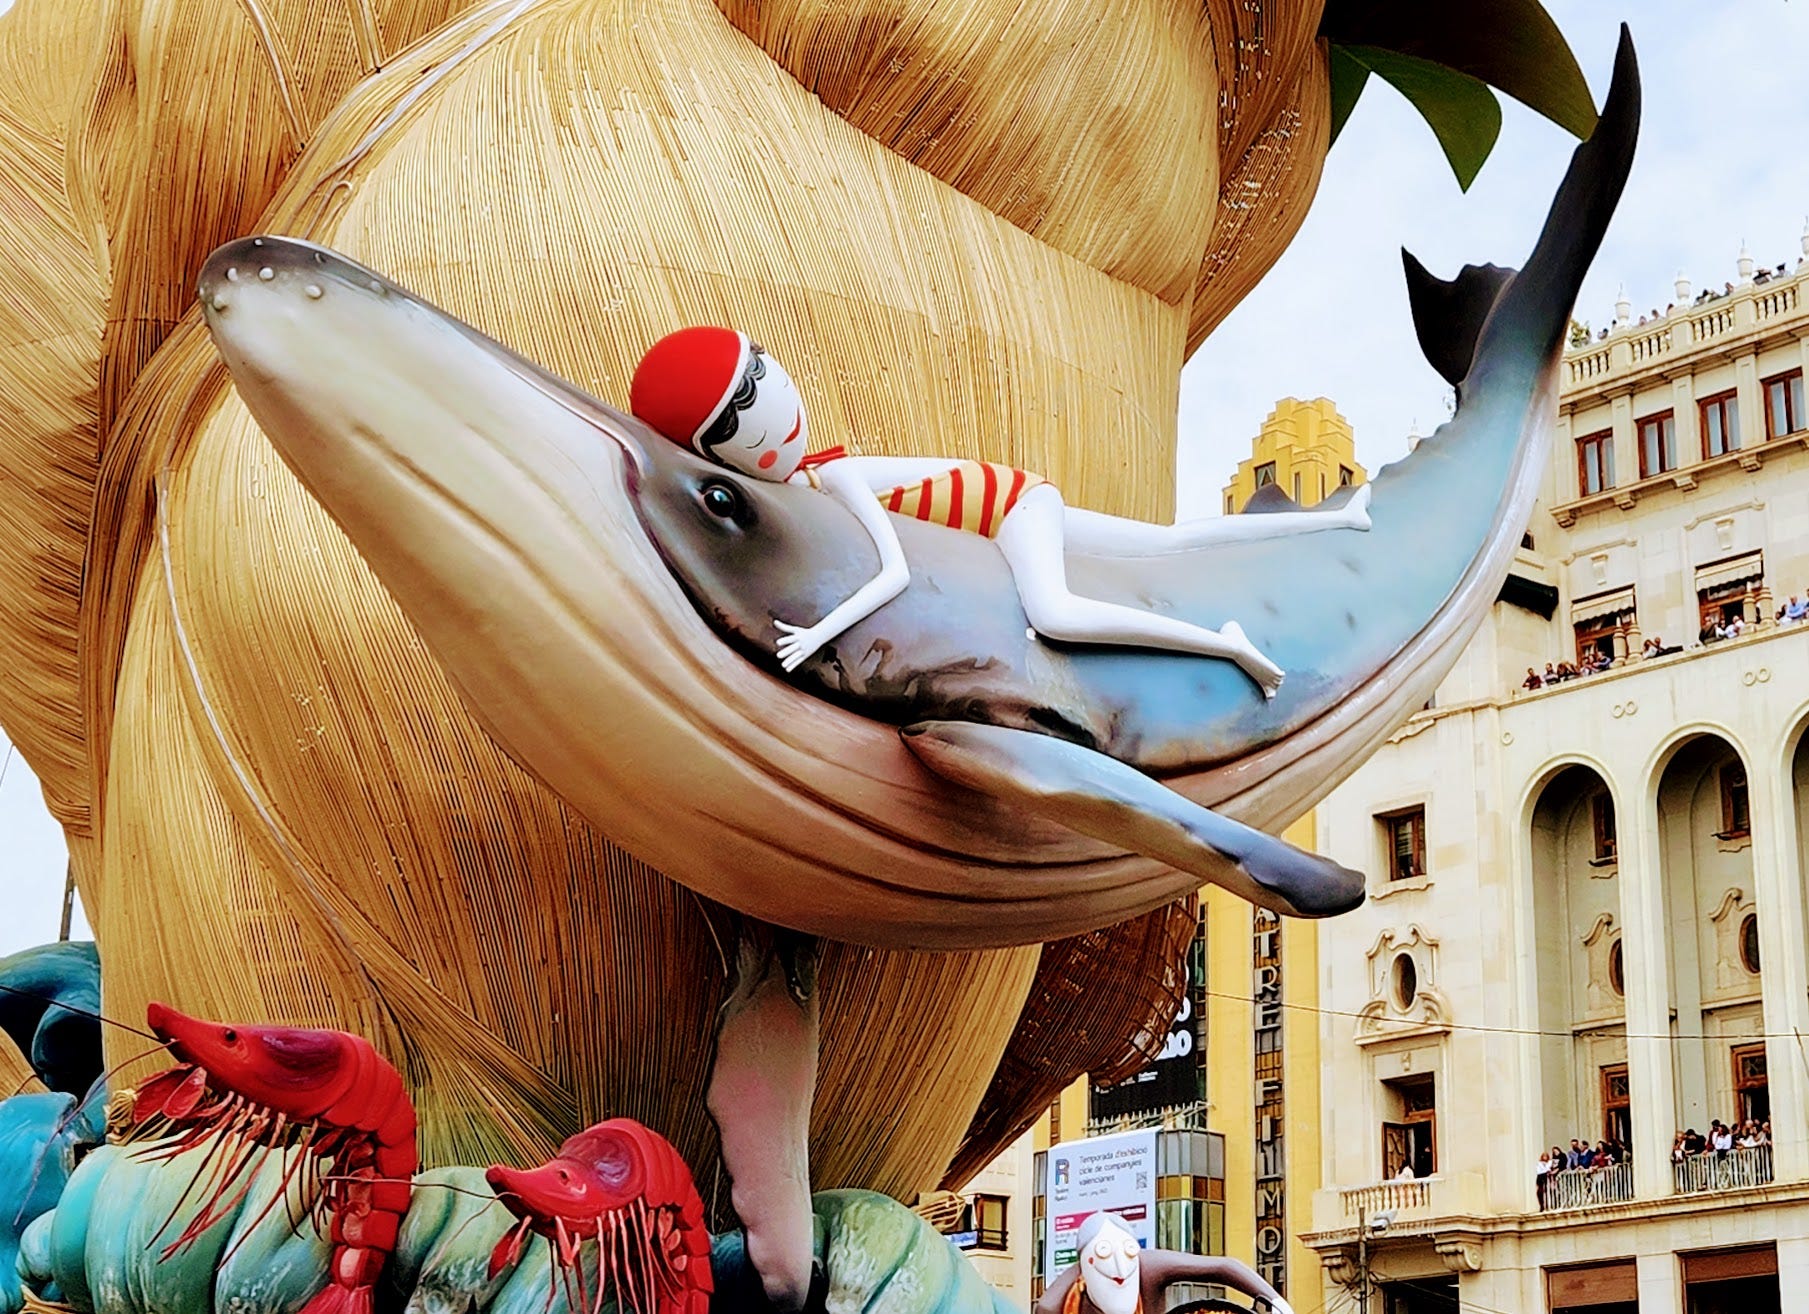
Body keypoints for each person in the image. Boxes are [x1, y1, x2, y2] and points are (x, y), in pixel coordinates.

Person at [629, 327, 1374, 697]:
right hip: (1021, 496)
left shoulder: (835, 477)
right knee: (1169, 539)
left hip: (1014, 506)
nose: (770, 407)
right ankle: (1339, 520)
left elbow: (888, 572)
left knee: (1055, 612)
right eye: (738, 413)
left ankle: (1229, 645)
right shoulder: (816, 486)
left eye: (759, 372)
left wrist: (814, 635)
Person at [1033, 1212, 1293, 1314]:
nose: (1120, 1269)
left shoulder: (1149, 1267)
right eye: (1102, 1254)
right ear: (1085, 1264)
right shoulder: (1057, 1301)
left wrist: (1277, 1302)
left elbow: (1223, 1267)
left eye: (1127, 1254)